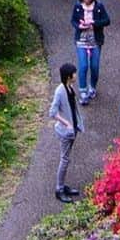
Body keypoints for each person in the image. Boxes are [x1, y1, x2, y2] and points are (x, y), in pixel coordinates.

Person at [71, 0, 111, 106]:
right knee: (83, 66)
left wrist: (94, 23)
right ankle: (83, 91)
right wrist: (79, 26)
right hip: (81, 40)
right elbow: (73, 20)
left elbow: (107, 20)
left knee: (94, 67)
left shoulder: (99, 6)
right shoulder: (78, 6)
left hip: (95, 41)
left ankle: (92, 87)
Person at [49, 62, 81, 203]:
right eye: (74, 73)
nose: (76, 75)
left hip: (72, 130)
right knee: (64, 159)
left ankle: (62, 186)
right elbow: (52, 112)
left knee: (66, 158)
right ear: (69, 76)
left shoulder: (70, 87)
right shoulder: (60, 91)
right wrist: (66, 123)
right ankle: (59, 189)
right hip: (65, 132)